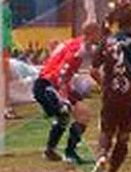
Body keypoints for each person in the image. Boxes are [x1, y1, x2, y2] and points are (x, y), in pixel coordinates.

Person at [89, 3, 131, 172]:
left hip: (111, 95)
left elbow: (93, 69)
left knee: (106, 131)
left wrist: (104, 85)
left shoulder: (106, 41)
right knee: (123, 138)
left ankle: (102, 156)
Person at [35, 22, 102, 164]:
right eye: (98, 33)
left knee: (83, 114)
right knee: (64, 114)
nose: (100, 36)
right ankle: (63, 152)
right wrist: (64, 97)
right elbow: (62, 74)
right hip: (48, 84)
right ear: (91, 34)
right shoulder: (76, 50)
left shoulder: (78, 45)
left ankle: (59, 151)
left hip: (55, 84)